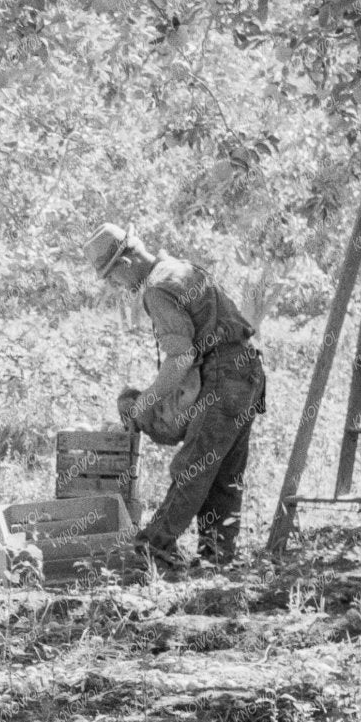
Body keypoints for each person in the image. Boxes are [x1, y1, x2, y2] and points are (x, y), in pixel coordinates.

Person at [84, 225, 265, 570]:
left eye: (112, 276)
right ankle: (216, 556)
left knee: (193, 467)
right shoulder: (181, 268)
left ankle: (152, 548)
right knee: (224, 472)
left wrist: (144, 405)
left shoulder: (156, 288)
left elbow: (180, 358)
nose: (116, 285)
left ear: (125, 261)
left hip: (225, 375)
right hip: (247, 369)